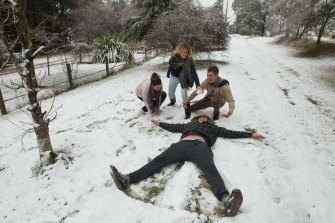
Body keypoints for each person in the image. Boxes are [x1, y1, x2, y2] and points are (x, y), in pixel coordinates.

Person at [110, 114, 265, 217]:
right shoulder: (188, 125)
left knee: (210, 169)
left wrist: (251, 135)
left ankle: (227, 202)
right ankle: (127, 180)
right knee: (157, 161)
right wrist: (159, 123)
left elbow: (231, 133)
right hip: (182, 145)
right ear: (197, 119)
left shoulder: (213, 128)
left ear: (209, 121)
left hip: (200, 146)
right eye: (201, 117)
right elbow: (173, 126)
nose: (203, 119)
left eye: (206, 118)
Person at [166, 42, 202, 118]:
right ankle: (173, 101)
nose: (185, 54)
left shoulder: (189, 61)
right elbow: (170, 66)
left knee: (184, 95)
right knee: (170, 93)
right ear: (179, 51)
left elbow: (194, 73)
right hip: (174, 77)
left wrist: (198, 84)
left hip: (184, 79)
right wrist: (168, 73)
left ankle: (187, 112)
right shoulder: (174, 58)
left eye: (186, 52)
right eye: (183, 52)